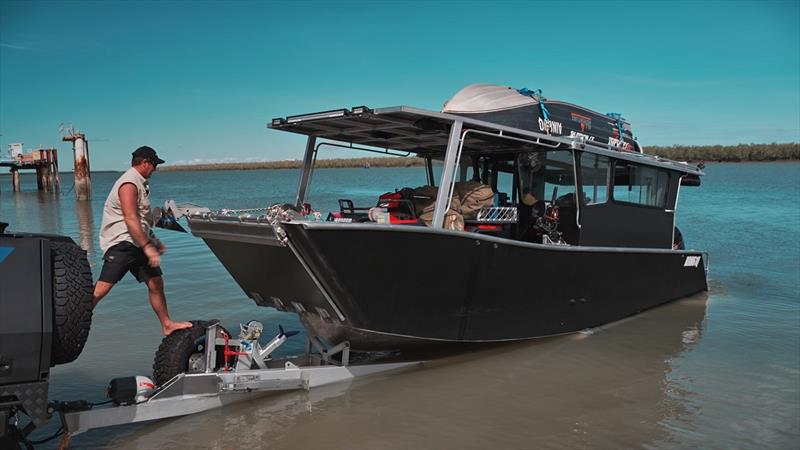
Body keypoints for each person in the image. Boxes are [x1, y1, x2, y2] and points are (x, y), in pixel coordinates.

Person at [93, 146, 192, 336]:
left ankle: (166, 324)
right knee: (101, 289)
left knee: (156, 283)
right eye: (154, 164)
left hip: (136, 242)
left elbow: (142, 220)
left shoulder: (141, 183)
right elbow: (130, 218)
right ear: (145, 162)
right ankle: (76, 320)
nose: (155, 168)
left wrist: (153, 241)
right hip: (121, 242)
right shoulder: (129, 183)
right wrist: (148, 247)